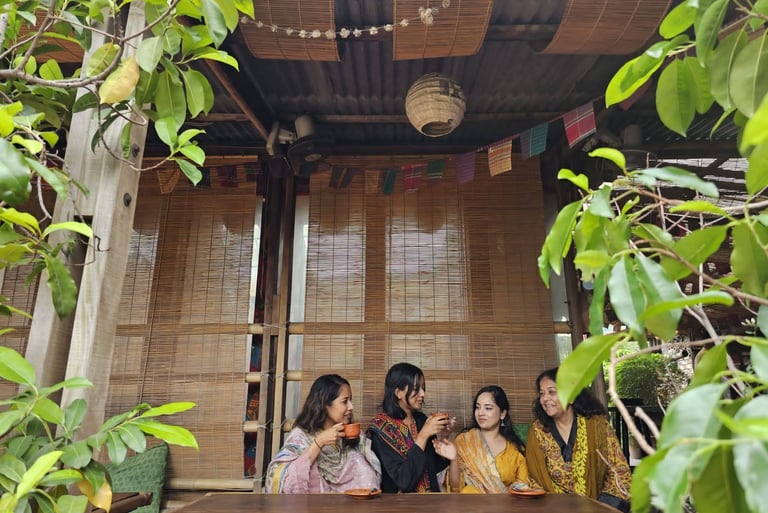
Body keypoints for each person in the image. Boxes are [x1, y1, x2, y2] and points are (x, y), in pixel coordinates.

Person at [525, 367, 631, 512]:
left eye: (552, 392)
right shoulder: (537, 430)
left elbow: (619, 471)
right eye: (542, 393)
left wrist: (598, 507)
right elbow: (535, 478)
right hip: (554, 507)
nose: (545, 398)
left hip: (598, 505)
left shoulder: (596, 425)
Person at [264, 374, 381, 493]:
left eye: (350, 400)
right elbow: (283, 480)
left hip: (354, 502)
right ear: (325, 404)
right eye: (345, 401)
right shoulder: (301, 437)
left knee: (356, 459)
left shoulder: (353, 436)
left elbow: (370, 478)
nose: (351, 406)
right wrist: (319, 442)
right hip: (314, 503)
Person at [434, 385, 536, 493]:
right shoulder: (464, 441)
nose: (480, 413)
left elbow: (523, 487)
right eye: (477, 407)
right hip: (469, 502)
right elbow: (455, 488)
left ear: (502, 414)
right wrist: (454, 459)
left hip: (506, 503)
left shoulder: (515, 450)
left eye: (488, 408)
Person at [367, 362, 451, 492]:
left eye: (423, 388)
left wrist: (444, 439)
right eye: (416, 388)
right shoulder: (381, 427)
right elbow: (403, 481)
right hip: (398, 503)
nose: (422, 393)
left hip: (431, 501)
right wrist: (423, 435)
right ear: (398, 392)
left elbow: (434, 469)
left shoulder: (421, 420)